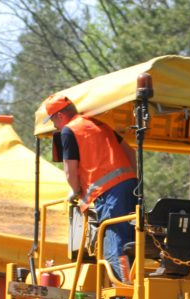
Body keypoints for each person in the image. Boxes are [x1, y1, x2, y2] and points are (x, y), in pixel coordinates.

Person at [45, 93, 137, 285]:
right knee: (130, 243)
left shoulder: (69, 131)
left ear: (60, 116)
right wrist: (131, 178)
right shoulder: (99, 124)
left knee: (115, 246)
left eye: (53, 120)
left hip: (110, 194)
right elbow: (130, 151)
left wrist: (76, 191)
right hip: (129, 186)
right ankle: (129, 290)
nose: (54, 126)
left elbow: (70, 171)